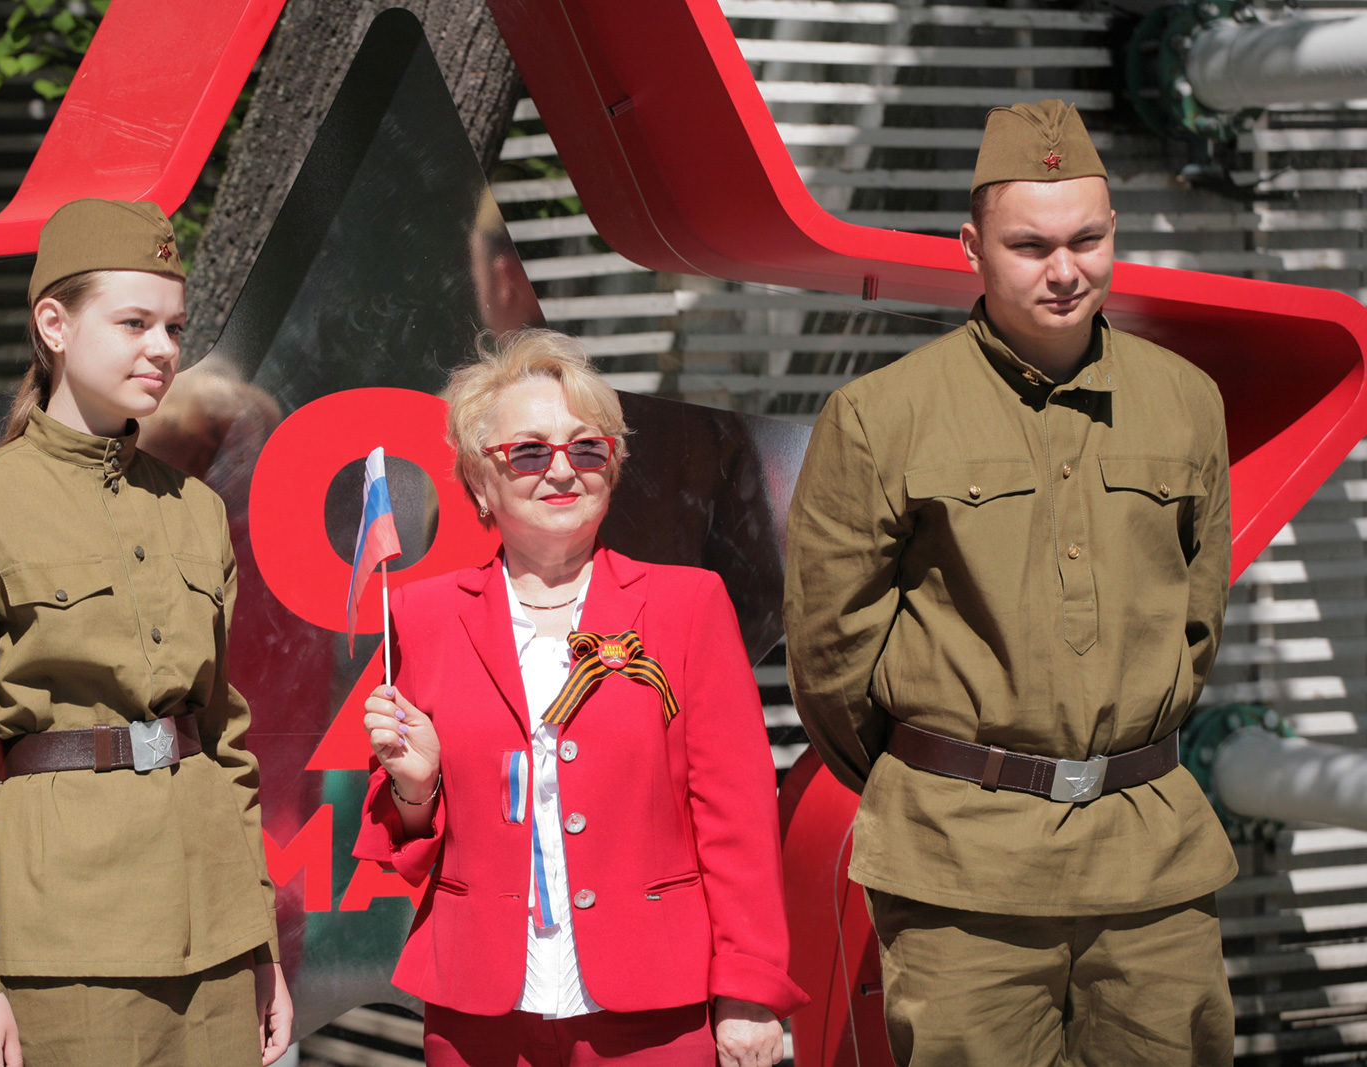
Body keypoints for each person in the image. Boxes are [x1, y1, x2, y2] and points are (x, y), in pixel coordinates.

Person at [784, 100, 1236, 1065]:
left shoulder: (1188, 402)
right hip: (962, 871)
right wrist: (947, 779)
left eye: (1087, 239)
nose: (1065, 270)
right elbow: (831, 656)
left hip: (1149, 862)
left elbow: (1196, 624)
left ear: (1115, 234)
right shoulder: (881, 416)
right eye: (1030, 245)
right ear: (970, 247)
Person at [0, 199, 292, 1067]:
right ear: (54, 324)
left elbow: (225, 740)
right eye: (134, 321)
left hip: (215, 940)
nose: (163, 348)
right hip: (68, 946)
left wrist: (258, 943)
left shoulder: (198, 512)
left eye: (175, 326)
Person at [353, 328, 807, 1066]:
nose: (562, 471)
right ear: (479, 479)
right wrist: (418, 785)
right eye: (529, 452)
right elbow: (407, 841)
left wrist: (750, 989)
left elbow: (737, 813)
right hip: (481, 1014)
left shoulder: (688, 604)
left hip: (654, 1010)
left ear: (613, 465)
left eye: (587, 448)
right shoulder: (424, 615)